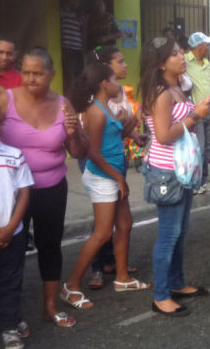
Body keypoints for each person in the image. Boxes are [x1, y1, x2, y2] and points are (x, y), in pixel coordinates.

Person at [0, 48, 88, 327]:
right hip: (11, 193)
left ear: (51, 75)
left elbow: (77, 151)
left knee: (50, 245)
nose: (30, 78)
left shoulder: (64, 105)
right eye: (25, 72)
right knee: (7, 248)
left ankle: (49, 307)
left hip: (51, 187)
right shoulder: (5, 100)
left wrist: (74, 133)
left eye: (37, 73)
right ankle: (10, 316)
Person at [141, 37, 210, 316]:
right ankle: (161, 295)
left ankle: (176, 283)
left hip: (181, 170)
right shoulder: (161, 93)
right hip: (167, 173)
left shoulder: (177, 87)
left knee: (180, 231)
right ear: (161, 63)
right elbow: (162, 135)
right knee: (169, 234)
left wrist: (201, 107)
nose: (182, 56)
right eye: (174, 54)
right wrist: (195, 116)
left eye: (180, 51)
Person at [63, 64, 149, 305]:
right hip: (104, 176)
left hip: (112, 174)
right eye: (114, 79)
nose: (118, 84)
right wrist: (119, 177)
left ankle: (122, 278)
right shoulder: (97, 112)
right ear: (104, 83)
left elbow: (115, 138)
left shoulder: (105, 109)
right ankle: (71, 286)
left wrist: (133, 121)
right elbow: (93, 153)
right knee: (102, 233)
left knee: (125, 223)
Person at [0, 105, 33, 349]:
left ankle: (9, 325)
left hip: (12, 233)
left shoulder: (13, 155)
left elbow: (23, 193)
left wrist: (10, 227)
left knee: (10, 280)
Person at [184, 31, 210, 194]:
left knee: (206, 149)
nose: (208, 47)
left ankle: (203, 181)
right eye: (205, 44)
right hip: (196, 114)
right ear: (197, 46)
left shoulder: (208, 64)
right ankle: (196, 182)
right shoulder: (184, 61)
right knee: (199, 147)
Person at [60, 0, 87, 96]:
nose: (77, 3)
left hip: (78, 48)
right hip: (67, 47)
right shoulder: (63, 11)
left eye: (78, 1)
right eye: (75, 0)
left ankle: (76, 95)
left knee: (79, 74)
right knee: (69, 74)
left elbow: (83, 32)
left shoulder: (78, 16)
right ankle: (69, 96)